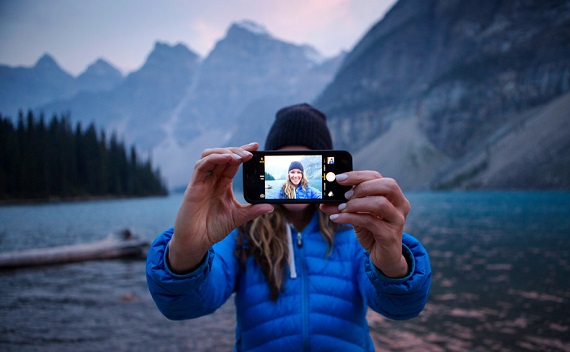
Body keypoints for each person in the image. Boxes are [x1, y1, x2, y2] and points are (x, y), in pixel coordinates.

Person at [146, 103, 432, 351]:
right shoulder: (242, 235)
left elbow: (401, 308)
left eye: (302, 166)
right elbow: (183, 306)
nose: (295, 174)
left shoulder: (355, 230)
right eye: (287, 166)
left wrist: (393, 263)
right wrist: (185, 251)